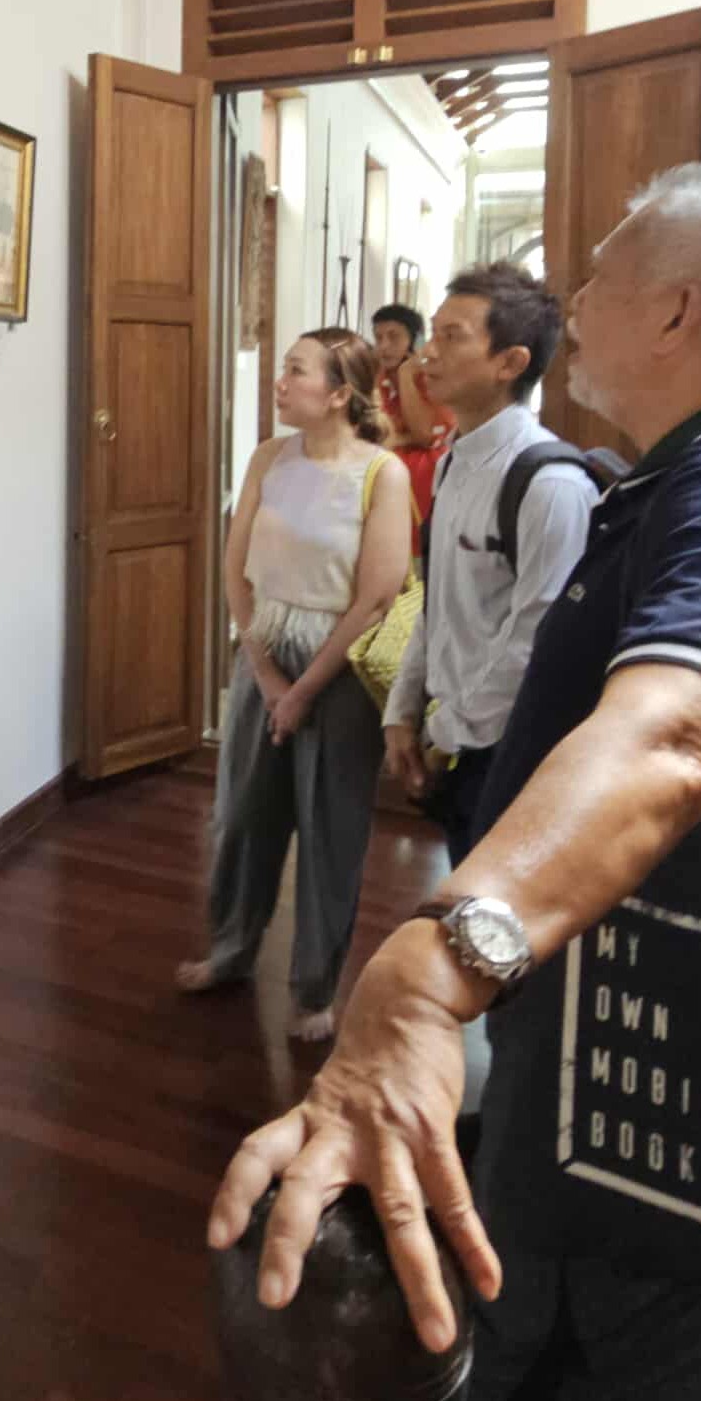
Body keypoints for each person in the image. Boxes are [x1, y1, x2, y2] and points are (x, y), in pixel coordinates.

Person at [208, 162, 701, 1401]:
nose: (572, 301)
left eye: (598, 275)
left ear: (677, 310)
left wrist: (439, 965)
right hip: (640, 1051)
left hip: (680, 1092)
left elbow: (673, 732)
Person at [177, 329, 411, 1042]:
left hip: (337, 665)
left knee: (330, 828)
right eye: (284, 368)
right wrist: (266, 671)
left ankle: (314, 989)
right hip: (264, 645)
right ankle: (230, 951)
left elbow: (377, 596)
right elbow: (234, 566)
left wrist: (304, 688)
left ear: (339, 394)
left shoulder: (381, 473)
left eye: (296, 371)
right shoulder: (268, 458)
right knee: (242, 816)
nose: (280, 381)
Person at [382, 264, 594, 866]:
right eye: (433, 333)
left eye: (453, 337)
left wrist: (443, 736)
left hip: (512, 749)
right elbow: (438, 602)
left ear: (510, 362)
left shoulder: (550, 484)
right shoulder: (454, 462)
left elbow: (535, 642)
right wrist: (403, 709)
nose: (428, 353)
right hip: (455, 736)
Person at [372, 303, 454, 552]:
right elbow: (372, 434)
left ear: (416, 340)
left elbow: (425, 436)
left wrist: (406, 375)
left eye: (394, 337)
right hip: (384, 488)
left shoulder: (435, 379)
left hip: (422, 485)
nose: (383, 346)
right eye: (378, 337)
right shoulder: (376, 377)